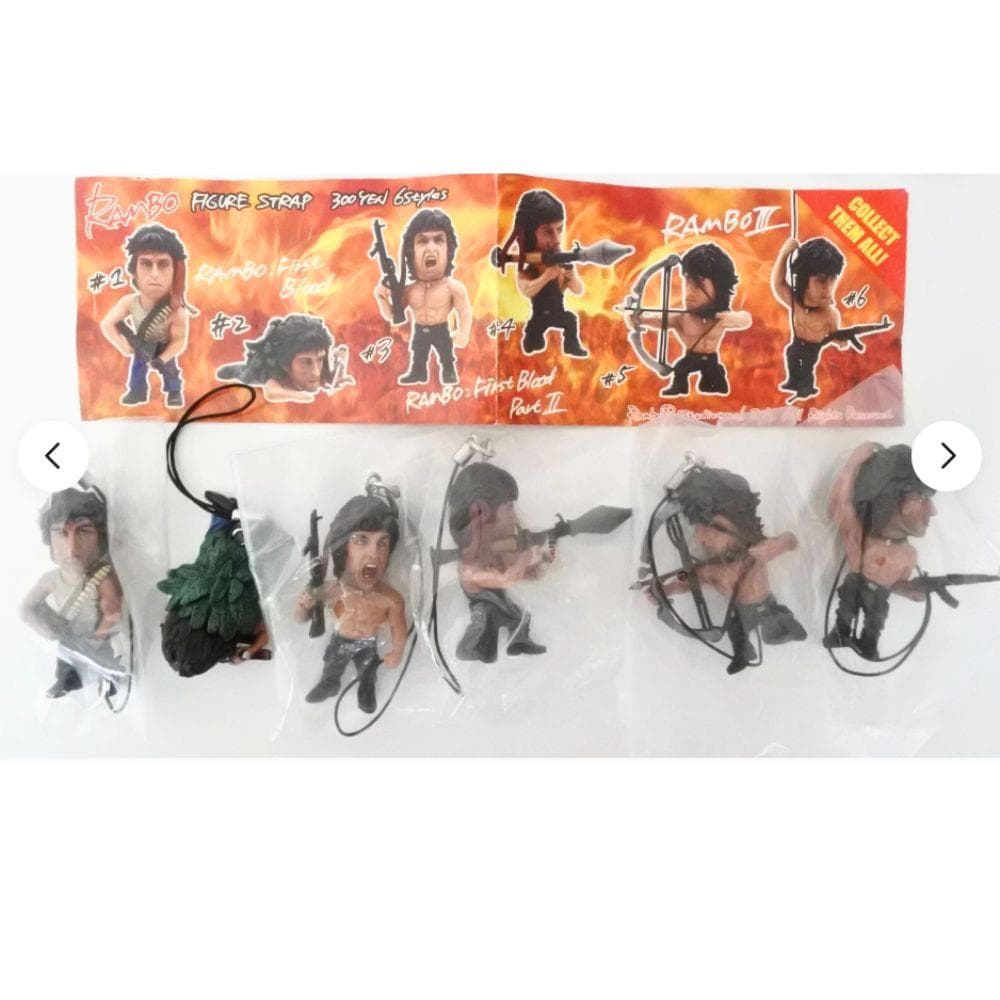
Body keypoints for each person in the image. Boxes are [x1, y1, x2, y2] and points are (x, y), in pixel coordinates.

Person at [657, 466, 806, 674]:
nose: (701, 537)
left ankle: (790, 628)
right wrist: (668, 588)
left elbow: (791, 540)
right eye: (698, 528)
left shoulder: (756, 551)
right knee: (737, 630)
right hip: (743, 610)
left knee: (778, 617)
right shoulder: (709, 570)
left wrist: (779, 544)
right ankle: (743, 655)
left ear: (737, 524)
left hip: (767, 602)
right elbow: (686, 579)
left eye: (711, 527)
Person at [295, 493, 407, 714]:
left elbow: (398, 629)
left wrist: (398, 651)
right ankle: (330, 683)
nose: (374, 553)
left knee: (368, 670)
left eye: (382, 543)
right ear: (343, 548)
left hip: (368, 643)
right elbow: (301, 619)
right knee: (332, 665)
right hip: (340, 640)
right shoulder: (333, 590)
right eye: (361, 541)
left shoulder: (391, 599)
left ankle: (366, 688)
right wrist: (303, 606)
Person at [825, 443, 935, 659]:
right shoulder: (860, 539)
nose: (933, 511)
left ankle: (869, 643)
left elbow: (896, 584)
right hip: (855, 587)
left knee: (875, 620)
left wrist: (910, 590)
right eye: (921, 499)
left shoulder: (909, 554)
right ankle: (840, 634)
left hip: (879, 596)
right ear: (890, 501)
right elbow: (839, 507)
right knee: (847, 612)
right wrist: (851, 466)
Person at [20, 486, 125, 698]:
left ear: (100, 537)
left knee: (104, 660)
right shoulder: (50, 579)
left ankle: (109, 679)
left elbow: (113, 611)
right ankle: (67, 681)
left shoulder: (102, 576)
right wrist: (48, 630)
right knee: (65, 663)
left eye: (83, 531)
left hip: (96, 638)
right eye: (61, 533)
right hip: (69, 636)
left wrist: (97, 638)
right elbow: (26, 608)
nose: (72, 546)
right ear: (49, 540)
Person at [771, 236, 893, 402]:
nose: (828, 288)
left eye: (833, 279)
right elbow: (778, 283)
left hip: (813, 347)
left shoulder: (830, 314)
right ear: (803, 279)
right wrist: (784, 253)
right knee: (790, 354)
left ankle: (806, 388)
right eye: (821, 280)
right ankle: (793, 381)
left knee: (807, 365)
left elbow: (835, 335)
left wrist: (841, 341)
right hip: (797, 343)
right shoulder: (795, 302)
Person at [448, 463, 548, 663]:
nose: (515, 517)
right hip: (486, 611)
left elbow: (517, 574)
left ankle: (518, 642)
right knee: (485, 630)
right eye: (509, 508)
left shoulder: (496, 553)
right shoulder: (470, 564)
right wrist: (525, 558)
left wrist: (538, 567)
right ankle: (471, 648)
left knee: (519, 617)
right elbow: (506, 579)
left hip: (499, 605)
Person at [630, 242, 750, 396]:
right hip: (691, 357)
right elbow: (658, 320)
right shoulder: (682, 318)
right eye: (687, 282)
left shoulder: (721, 318)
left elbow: (746, 319)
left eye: (699, 284)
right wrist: (638, 319)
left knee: (716, 384)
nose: (689, 292)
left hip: (712, 358)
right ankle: (680, 388)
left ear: (719, 287)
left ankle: (713, 384)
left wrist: (734, 318)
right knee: (680, 370)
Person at [373, 208, 472, 386]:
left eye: (439, 240)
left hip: (441, 330)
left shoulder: (453, 287)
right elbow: (393, 316)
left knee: (446, 354)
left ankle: (449, 372)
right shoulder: (410, 290)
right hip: (419, 330)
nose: (431, 248)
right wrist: (382, 299)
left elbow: (464, 311)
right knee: (418, 353)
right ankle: (418, 373)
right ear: (411, 252)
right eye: (422, 241)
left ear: (449, 249)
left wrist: (463, 333)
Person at [99, 224, 193, 408]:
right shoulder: (129, 302)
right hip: (141, 344)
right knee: (137, 370)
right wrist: (124, 345)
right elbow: (107, 324)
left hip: (165, 347)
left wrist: (162, 359)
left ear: (176, 272)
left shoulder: (177, 312)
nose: (154, 274)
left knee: (171, 371)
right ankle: (137, 391)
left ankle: (174, 392)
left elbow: (178, 342)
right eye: (145, 263)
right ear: (134, 271)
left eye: (163, 264)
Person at [511, 189, 589, 358]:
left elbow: (578, 290)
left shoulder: (561, 264)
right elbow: (526, 290)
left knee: (570, 319)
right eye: (547, 231)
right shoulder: (528, 268)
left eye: (560, 230)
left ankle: (571, 346)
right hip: (539, 316)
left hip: (558, 313)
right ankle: (533, 340)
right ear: (529, 235)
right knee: (532, 344)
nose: (557, 239)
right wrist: (546, 277)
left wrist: (572, 278)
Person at [216, 313, 353, 404]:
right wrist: (300, 396)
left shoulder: (314, 371)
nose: (316, 372)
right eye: (306, 362)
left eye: (320, 359)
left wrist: (338, 374)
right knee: (230, 372)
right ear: (285, 365)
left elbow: (325, 379)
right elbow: (272, 392)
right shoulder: (276, 375)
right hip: (250, 372)